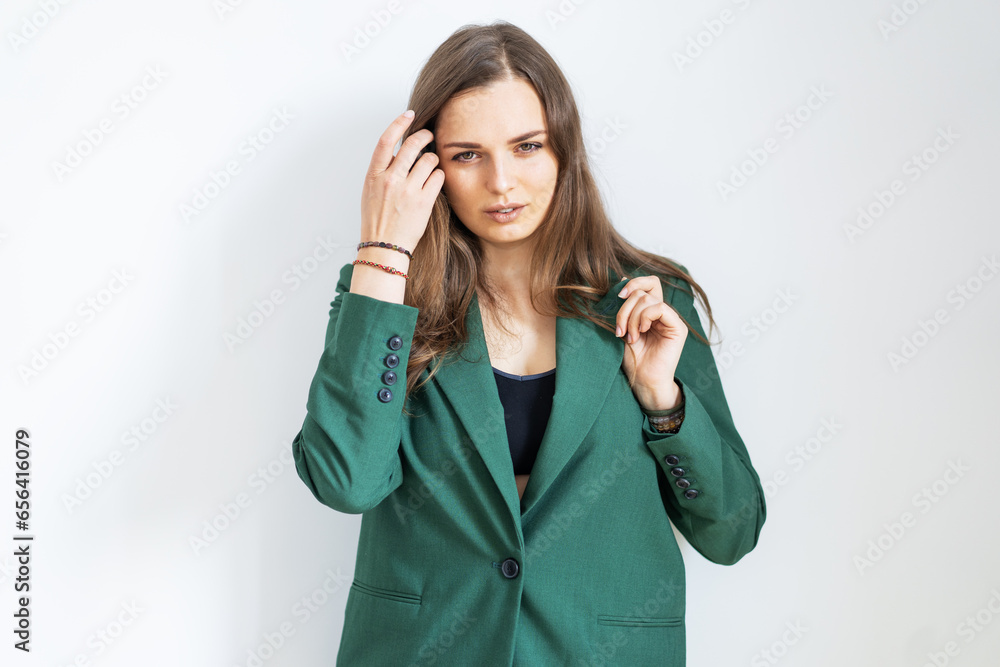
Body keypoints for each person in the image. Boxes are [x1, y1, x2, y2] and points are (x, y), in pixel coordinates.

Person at [291, 20, 765, 666]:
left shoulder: (653, 303)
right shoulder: (389, 302)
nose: (502, 183)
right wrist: (383, 252)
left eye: (527, 146)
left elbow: (733, 528)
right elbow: (345, 480)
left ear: (563, 150)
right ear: (428, 167)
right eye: (468, 155)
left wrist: (665, 403)